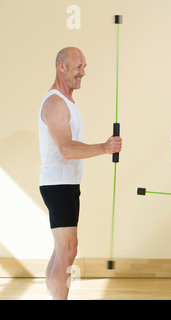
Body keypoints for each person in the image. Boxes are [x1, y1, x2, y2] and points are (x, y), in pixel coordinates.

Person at [38, 47, 122, 300]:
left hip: (67, 184)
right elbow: (66, 149)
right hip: (58, 185)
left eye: (84, 67)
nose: (83, 73)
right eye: (78, 67)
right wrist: (104, 148)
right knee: (68, 250)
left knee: (62, 251)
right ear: (61, 67)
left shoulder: (68, 102)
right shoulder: (55, 103)